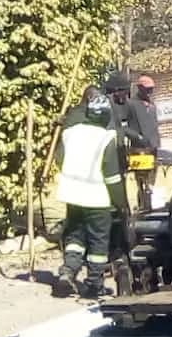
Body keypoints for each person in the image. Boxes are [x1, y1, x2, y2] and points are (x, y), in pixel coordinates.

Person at [53, 93, 127, 299]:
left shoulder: (70, 133)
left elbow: (59, 159)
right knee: (98, 243)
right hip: (97, 199)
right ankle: (94, 284)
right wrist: (121, 203)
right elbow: (112, 177)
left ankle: (68, 271)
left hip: (72, 196)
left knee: (75, 236)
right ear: (105, 115)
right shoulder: (106, 138)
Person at [131, 75, 161, 211]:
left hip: (152, 147)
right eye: (147, 89)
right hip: (139, 148)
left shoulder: (152, 104)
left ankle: (150, 204)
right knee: (141, 179)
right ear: (140, 88)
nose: (150, 92)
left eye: (151, 89)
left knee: (152, 178)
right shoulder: (132, 104)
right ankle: (142, 203)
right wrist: (137, 137)